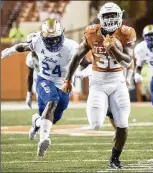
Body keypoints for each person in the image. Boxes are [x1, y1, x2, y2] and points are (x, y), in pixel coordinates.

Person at [62, 2, 136, 169]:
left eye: (113, 15)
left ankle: (115, 158)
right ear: (100, 18)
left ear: (120, 16)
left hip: (117, 80)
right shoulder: (91, 33)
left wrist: (114, 50)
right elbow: (77, 56)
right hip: (98, 80)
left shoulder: (126, 32)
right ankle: (109, 109)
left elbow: (128, 60)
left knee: (123, 124)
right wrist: (68, 79)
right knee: (95, 124)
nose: (110, 19)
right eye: (107, 16)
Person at [1, 19, 80, 158]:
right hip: (44, 79)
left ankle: (36, 121)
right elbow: (22, 47)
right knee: (52, 101)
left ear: (62, 34)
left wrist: (90, 69)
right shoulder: (37, 42)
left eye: (55, 39)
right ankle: (44, 138)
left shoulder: (71, 46)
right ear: (43, 37)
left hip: (62, 84)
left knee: (54, 118)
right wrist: (9, 51)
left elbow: (85, 58)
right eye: (49, 40)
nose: (53, 43)